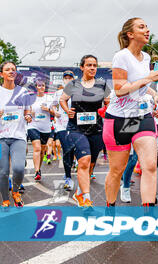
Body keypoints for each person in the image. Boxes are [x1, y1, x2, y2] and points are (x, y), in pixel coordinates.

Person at [103, 17, 158, 208]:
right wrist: (148, 79)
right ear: (130, 34)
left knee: (150, 166)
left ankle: (149, 215)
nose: (147, 30)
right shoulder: (121, 56)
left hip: (141, 117)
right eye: (141, 27)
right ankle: (110, 209)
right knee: (117, 170)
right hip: (119, 120)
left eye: (147, 26)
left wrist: (153, 94)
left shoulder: (145, 57)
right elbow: (120, 89)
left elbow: (139, 86)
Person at [0, 61, 32, 209]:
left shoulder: (23, 92)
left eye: (13, 70)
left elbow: (27, 111)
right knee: (3, 172)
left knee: (19, 168)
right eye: (7, 70)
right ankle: (5, 199)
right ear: (1, 74)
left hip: (18, 136)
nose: (11, 72)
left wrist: (28, 116)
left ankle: (15, 192)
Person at [60, 55, 110, 208]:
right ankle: (87, 199)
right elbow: (62, 99)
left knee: (91, 164)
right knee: (84, 161)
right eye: (89, 65)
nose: (92, 68)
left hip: (96, 129)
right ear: (82, 67)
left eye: (95, 65)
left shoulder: (102, 84)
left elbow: (108, 103)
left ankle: (81, 192)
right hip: (76, 129)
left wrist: (105, 111)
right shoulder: (73, 84)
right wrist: (68, 110)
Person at [51, 71, 75, 190]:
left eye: (70, 78)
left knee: (71, 151)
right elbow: (53, 105)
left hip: (75, 126)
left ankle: (68, 170)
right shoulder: (59, 93)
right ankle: (68, 177)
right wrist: (55, 112)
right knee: (67, 149)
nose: (68, 80)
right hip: (62, 126)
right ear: (63, 80)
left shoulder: (77, 92)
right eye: (66, 78)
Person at [27, 80, 55, 181]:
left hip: (46, 128)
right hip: (33, 126)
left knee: (42, 150)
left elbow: (55, 112)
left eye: (43, 85)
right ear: (36, 87)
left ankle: (39, 169)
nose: (41, 87)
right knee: (37, 148)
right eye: (39, 86)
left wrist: (47, 109)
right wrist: (30, 114)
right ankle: (36, 171)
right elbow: (27, 111)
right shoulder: (31, 98)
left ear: (45, 87)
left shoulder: (49, 98)